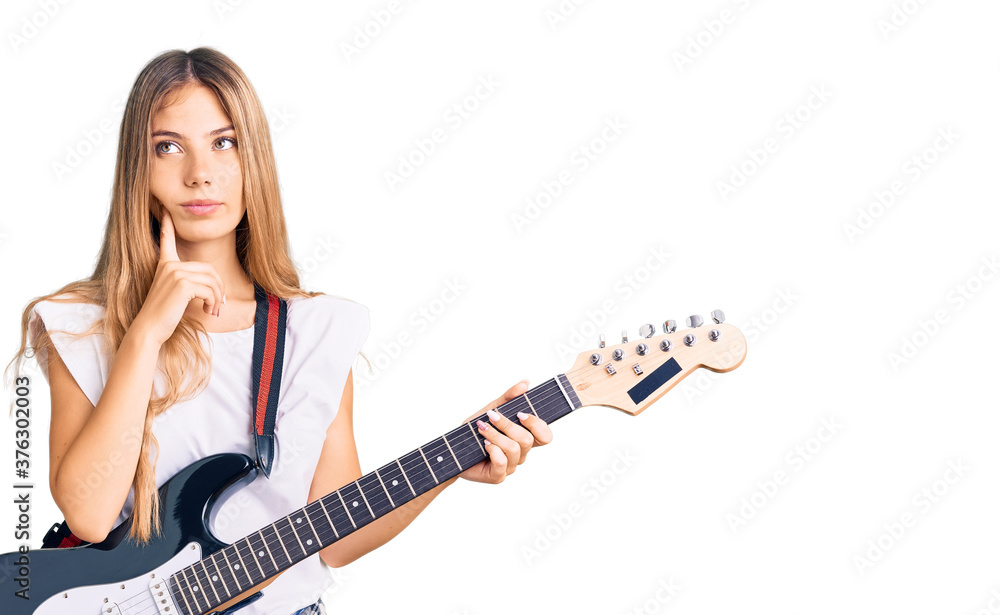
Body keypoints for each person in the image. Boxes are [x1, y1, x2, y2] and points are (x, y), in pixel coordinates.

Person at [4, 47, 552, 615]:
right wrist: (145, 334)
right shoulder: (79, 326)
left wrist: (455, 460)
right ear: (136, 171)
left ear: (254, 160)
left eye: (225, 142)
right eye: (169, 147)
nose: (200, 173)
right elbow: (89, 516)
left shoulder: (318, 331)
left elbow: (336, 540)